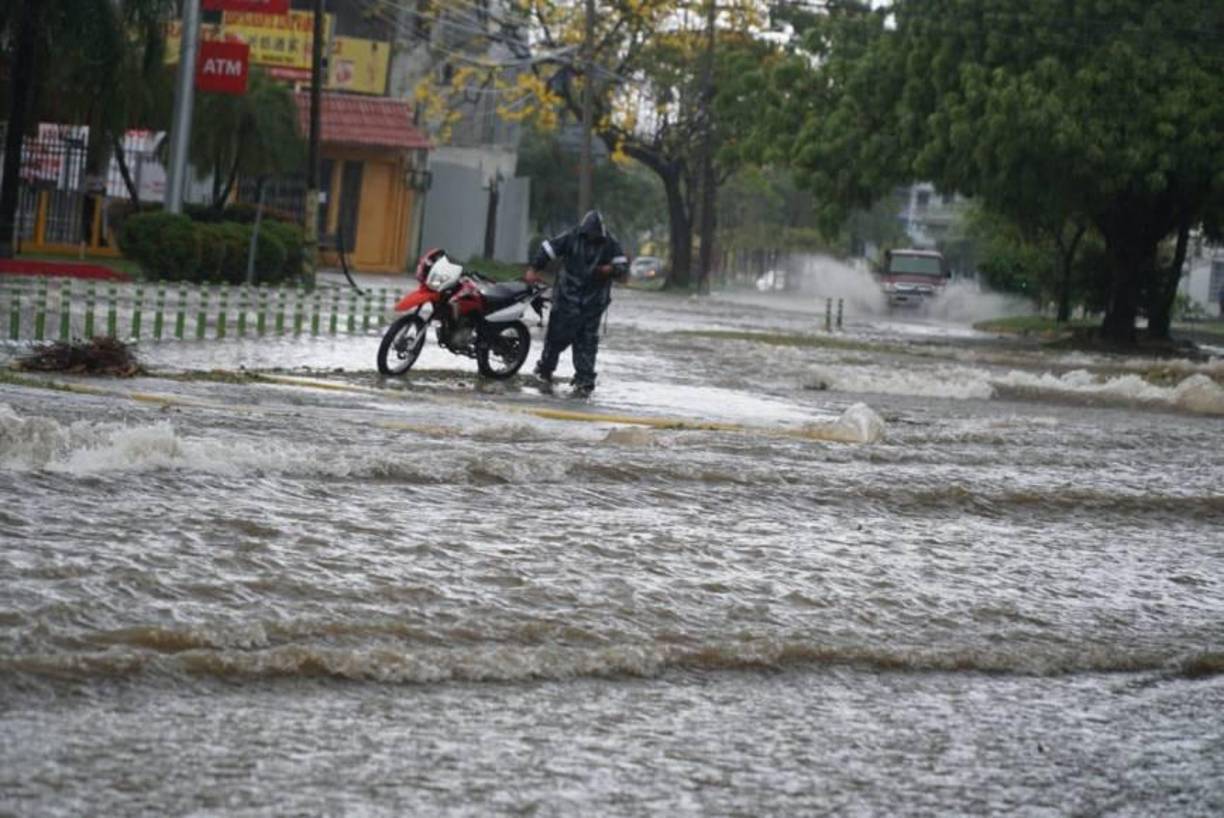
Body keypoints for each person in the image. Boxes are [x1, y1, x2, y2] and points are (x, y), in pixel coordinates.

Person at [524, 210, 629, 396]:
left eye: (596, 236)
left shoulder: (610, 243)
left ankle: (585, 381)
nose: (592, 239)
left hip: (593, 303)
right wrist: (534, 268)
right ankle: (545, 371)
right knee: (556, 337)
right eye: (590, 236)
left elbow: (622, 266)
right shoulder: (571, 237)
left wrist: (610, 269)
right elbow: (548, 249)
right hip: (566, 298)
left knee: (587, 341)